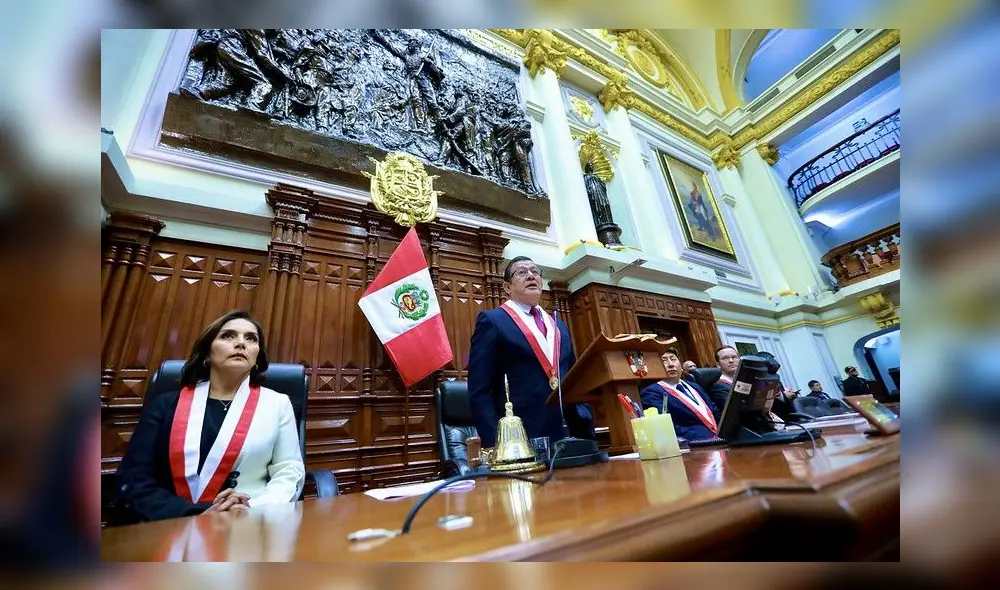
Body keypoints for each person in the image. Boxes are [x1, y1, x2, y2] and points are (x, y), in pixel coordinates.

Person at [115, 310, 305, 522]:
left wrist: (252, 508)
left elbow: (288, 471)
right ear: (207, 353)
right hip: (172, 523)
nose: (241, 343)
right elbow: (134, 480)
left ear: (257, 358)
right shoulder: (166, 404)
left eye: (251, 338)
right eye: (228, 336)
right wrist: (197, 513)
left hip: (247, 525)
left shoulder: (277, 404)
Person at [468, 256, 595, 450]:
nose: (530, 276)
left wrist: (585, 419)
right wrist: (496, 444)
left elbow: (574, 378)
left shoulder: (558, 325)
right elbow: (480, 390)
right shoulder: (493, 321)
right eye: (521, 272)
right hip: (521, 437)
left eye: (535, 271)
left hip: (569, 434)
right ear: (507, 288)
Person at [640, 348, 721, 441]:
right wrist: (705, 438)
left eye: (673, 359)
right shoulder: (651, 392)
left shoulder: (695, 386)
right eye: (664, 361)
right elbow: (667, 426)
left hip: (720, 438)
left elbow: (715, 412)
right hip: (693, 444)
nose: (670, 364)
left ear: (681, 366)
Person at [708, 345, 740, 409]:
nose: (731, 360)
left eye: (734, 357)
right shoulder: (719, 387)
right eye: (725, 358)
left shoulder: (746, 381)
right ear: (718, 365)